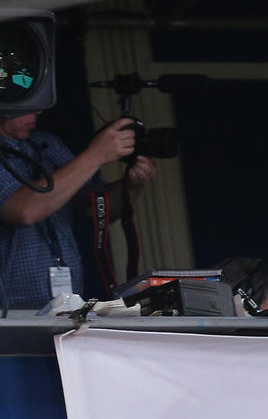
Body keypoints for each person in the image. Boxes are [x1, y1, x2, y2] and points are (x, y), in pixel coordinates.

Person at [0, 112, 156, 309]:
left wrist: (131, 185)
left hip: (67, 305)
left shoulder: (47, 143)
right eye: (28, 103)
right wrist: (96, 155)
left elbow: (97, 209)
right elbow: (23, 211)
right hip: (9, 315)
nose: (38, 110)